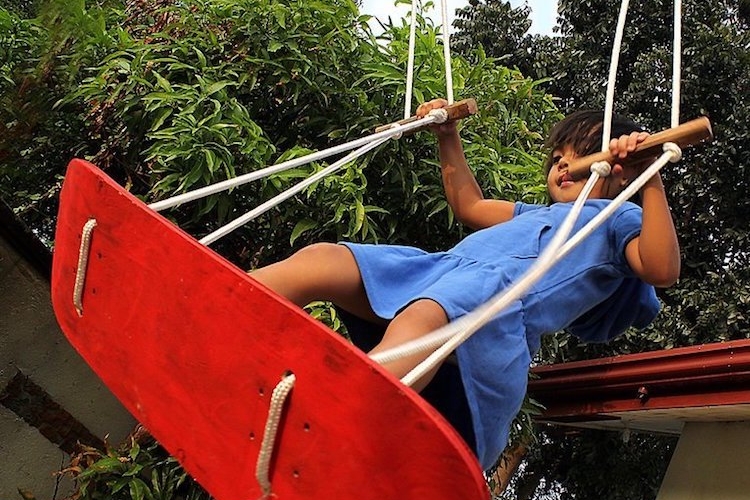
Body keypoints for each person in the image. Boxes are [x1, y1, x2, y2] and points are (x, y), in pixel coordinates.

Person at [249, 99, 681, 470]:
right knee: (324, 260)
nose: (563, 163)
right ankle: (219, 303)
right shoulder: (532, 214)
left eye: (582, 152)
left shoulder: (614, 219)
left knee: (427, 315)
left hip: (494, 310)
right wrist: (447, 135)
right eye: (558, 155)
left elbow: (661, 269)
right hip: (441, 274)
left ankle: (338, 412)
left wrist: (652, 174)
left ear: (621, 172)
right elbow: (468, 204)